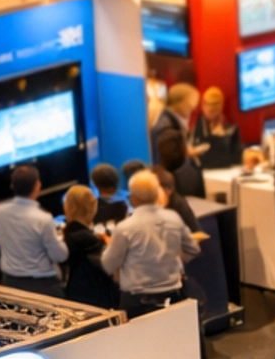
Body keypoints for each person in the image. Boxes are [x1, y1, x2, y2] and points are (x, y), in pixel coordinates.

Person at [100, 168, 199, 317]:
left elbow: (109, 265)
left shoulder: (125, 228)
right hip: (172, 296)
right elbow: (193, 249)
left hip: (137, 302)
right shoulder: (173, 218)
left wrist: (109, 245)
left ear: (134, 197)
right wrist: (174, 259)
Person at [0, 162, 67, 286]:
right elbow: (59, 256)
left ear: (12, 186)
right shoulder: (43, 219)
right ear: (37, 185)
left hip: (10, 283)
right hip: (42, 285)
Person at [59, 184, 114, 310]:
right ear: (92, 206)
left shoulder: (69, 234)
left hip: (76, 292)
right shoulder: (87, 238)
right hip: (95, 294)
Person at [191, 85, 241, 169]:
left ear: (221, 106)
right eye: (206, 105)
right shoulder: (197, 125)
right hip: (202, 173)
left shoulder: (231, 129)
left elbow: (236, 158)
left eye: (214, 107)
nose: (209, 109)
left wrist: (220, 137)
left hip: (224, 173)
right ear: (203, 105)